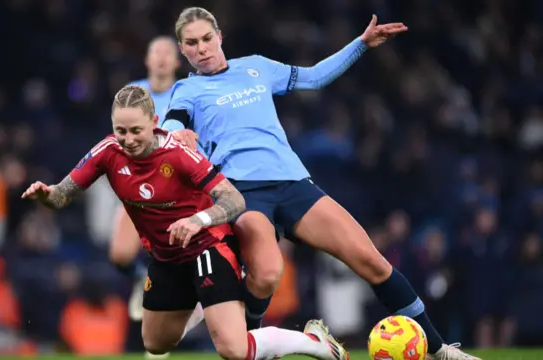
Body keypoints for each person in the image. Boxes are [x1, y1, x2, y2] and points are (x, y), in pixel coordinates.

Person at [125, 6, 476, 360]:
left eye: (206, 39)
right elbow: (170, 124)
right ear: (182, 50)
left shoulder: (257, 66)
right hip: (242, 193)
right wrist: (176, 135)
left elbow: (313, 77)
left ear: (219, 37)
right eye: (191, 43)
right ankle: (251, 342)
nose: (201, 48)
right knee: (266, 274)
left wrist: (361, 44)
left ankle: (440, 350)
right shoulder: (187, 89)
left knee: (372, 261)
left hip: (294, 183)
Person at [22, 85, 349, 360]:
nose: (129, 139)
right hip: (165, 258)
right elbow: (63, 194)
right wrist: (46, 194)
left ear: (154, 123)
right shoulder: (108, 151)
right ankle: (203, 303)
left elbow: (234, 200)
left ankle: (314, 343)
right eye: (121, 130)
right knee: (156, 343)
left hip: (207, 247)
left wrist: (198, 219)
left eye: (136, 130)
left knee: (233, 350)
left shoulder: (178, 154)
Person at [108, 35, 183, 326]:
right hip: (138, 186)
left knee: (180, 261)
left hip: (177, 190)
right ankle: (143, 278)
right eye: (156, 52)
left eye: (168, 52)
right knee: (120, 255)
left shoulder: (186, 93)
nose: (162, 57)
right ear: (147, 59)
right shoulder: (132, 94)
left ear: (177, 61)